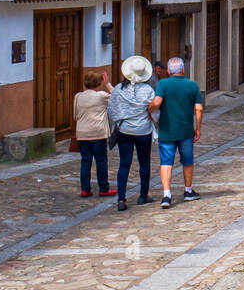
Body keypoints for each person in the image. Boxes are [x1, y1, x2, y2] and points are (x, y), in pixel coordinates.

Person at [149, 57, 203, 209]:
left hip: (167, 130)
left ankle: (167, 195)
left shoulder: (163, 84)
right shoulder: (192, 85)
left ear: (168, 71)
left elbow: (157, 102)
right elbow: (199, 108)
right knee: (187, 161)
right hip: (186, 130)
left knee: (166, 162)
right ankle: (188, 190)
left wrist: (150, 109)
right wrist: (198, 128)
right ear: (183, 70)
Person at [107, 56, 157, 211]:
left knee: (124, 164)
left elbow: (112, 111)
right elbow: (155, 112)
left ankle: (121, 199)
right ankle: (143, 195)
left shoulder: (118, 89)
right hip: (143, 131)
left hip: (124, 131)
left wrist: (122, 118)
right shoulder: (148, 90)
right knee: (144, 163)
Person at [73, 72, 116, 200]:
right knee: (101, 161)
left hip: (82, 133)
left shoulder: (78, 96)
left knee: (85, 161)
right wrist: (107, 83)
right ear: (99, 83)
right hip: (98, 133)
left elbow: (75, 116)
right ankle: (103, 188)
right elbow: (117, 96)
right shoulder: (102, 96)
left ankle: (85, 189)